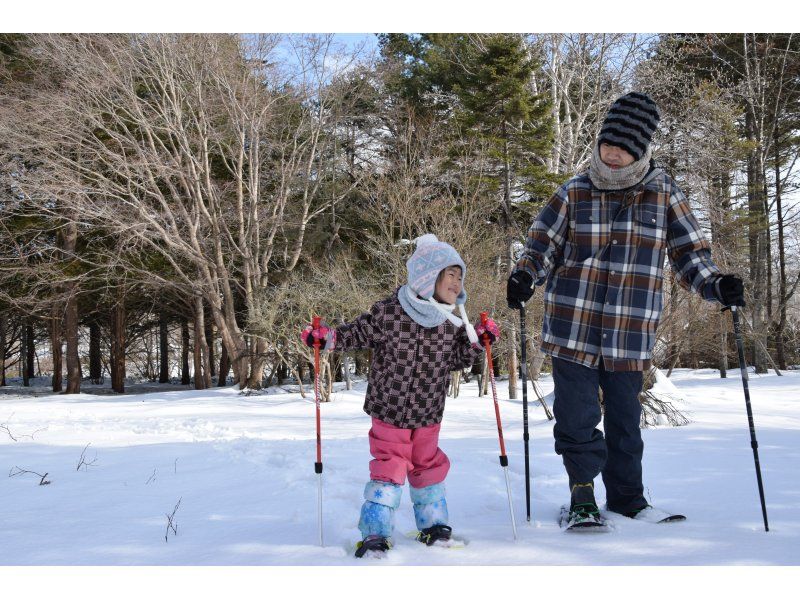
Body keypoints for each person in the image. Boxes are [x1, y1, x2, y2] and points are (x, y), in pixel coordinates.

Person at [506, 92, 745, 529]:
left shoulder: (664, 194)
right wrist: (525, 275)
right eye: (608, 144)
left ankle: (628, 499)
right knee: (576, 419)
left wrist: (717, 285)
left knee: (625, 424)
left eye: (625, 148)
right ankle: (582, 498)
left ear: (640, 151)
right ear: (598, 143)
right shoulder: (574, 192)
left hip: (630, 333)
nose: (614, 154)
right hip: (572, 327)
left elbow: (691, 255)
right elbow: (541, 245)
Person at [302, 234, 499, 556]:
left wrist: (479, 343)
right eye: (450, 274)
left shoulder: (451, 323)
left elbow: (457, 360)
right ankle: (375, 531)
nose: (457, 281)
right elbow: (358, 332)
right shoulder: (389, 312)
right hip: (389, 409)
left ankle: (434, 525)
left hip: (428, 411)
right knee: (389, 468)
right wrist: (327, 338)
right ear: (426, 278)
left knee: (428, 467)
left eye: (460, 275)